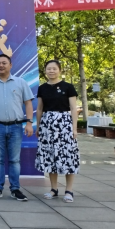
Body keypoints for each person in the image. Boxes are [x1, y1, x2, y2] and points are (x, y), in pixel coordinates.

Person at [0, 54, 34, 202]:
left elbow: (28, 103)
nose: (1, 65)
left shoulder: (21, 82)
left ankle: (15, 189)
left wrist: (29, 123)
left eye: (4, 63)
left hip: (16, 126)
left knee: (15, 160)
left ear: (10, 65)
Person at [36, 60, 80, 203]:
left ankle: (69, 190)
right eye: (48, 69)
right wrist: (38, 126)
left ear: (59, 70)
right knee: (50, 156)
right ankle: (53, 189)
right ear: (45, 71)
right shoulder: (42, 88)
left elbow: (73, 109)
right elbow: (40, 109)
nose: (51, 71)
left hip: (64, 124)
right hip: (47, 125)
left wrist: (74, 128)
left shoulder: (68, 87)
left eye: (54, 68)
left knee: (68, 156)